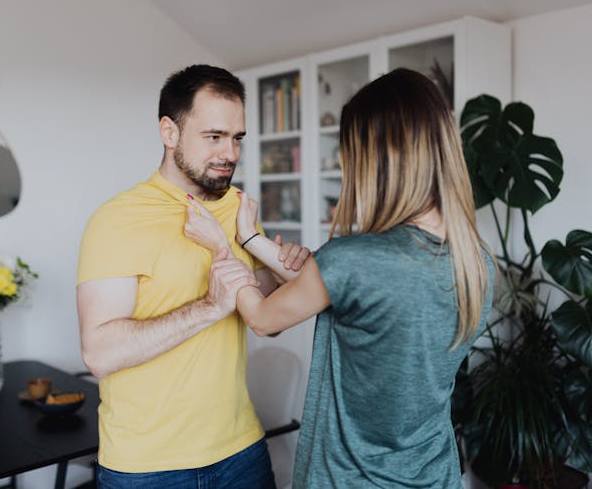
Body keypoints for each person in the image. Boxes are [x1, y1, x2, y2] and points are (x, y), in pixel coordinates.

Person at [185, 68, 495, 488]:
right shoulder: (476, 263)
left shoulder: (355, 259)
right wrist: (252, 239)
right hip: (433, 476)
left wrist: (221, 245)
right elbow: (337, 285)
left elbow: (262, 317)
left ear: (378, 157)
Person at [76, 64, 310, 488]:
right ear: (169, 132)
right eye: (214, 137)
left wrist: (274, 266)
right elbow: (99, 354)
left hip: (241, 451)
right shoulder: (118, 220)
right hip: (147, 467)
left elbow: (266, 321)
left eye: (237, 138)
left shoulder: (237, 207)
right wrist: (209, 306)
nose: (231, 154)